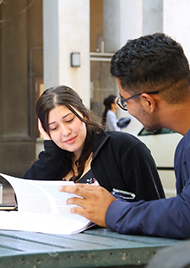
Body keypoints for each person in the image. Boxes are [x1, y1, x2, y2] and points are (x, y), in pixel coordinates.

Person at [59, 33, 190, 239]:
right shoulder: (184, 145)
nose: (126, 108)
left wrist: (111, 211)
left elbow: (185, 215)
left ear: (148, 102)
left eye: (125, 101)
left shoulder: (125, 147)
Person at [23, 85, 164, 203]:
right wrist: (51, 152)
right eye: (54, 128)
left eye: (69, 120)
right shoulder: (54, 162)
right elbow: (24, 199)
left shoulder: (123, 148)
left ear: (83, 114)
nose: (65, 132)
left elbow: (154, 210)